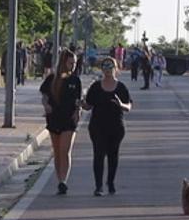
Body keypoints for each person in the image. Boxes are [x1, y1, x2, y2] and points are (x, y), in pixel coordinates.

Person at [82, 57, 131, 196]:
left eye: (111, 67)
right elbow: (88, 105)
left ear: (116, 69)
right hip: (97, 126)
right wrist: (80, 104)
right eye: (105, 67)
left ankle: (110, 182)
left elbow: (128, 106)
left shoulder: (121, 87)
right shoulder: (96, 87)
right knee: (98, 155)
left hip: (116, 127)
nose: (108, 70)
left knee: (113, 155)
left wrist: (121, 105)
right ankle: (98, 186)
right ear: (102, 69)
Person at [40, 49, 83, 195]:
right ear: (64, 62)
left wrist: (78, 111)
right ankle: (59, 180)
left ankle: (64, 180)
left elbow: (78, 100)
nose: (73, 65)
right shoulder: (52, 79)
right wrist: (46, 106)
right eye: (71, 63)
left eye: (75, 63)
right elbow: (44, 95)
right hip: (54, 117)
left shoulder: (75, 80)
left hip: (69, 119)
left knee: (65, 151)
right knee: (57, 151)